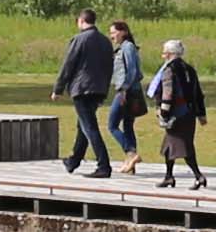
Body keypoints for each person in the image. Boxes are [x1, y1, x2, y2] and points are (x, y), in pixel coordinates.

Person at [55, 10, 114, 179]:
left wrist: (58, 88)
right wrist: (104, 90)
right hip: (98, 88)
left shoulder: (79, 39)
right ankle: (74, 160)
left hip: (82, 88)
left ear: (81, 21)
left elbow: (69, 64)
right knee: (84, 125)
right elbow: (109, 67)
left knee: (89, 127)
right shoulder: (105, 41)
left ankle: (104, 165)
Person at [150, 38, 209, 190]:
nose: (162, 56)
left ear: (169, 54)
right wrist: (201, 113)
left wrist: (163, 112)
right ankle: (169, 177)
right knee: (170, 146)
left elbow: (168, 93)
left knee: (184, 147)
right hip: (189, 113)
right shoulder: (189, 69)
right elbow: (198, 93)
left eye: (164, 53)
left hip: (177, 114)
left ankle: (198, 176)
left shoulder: (169, 70)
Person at [110, 20, 147, 156]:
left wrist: (124, 88)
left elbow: (132, 71)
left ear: (124, 32)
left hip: (127, 92)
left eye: (114, 32)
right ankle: (131, 161)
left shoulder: (128, 47)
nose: (111, 36)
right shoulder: (122, 48)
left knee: (112, 125)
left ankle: (131, 152)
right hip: (129, 90)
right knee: (127, 126)